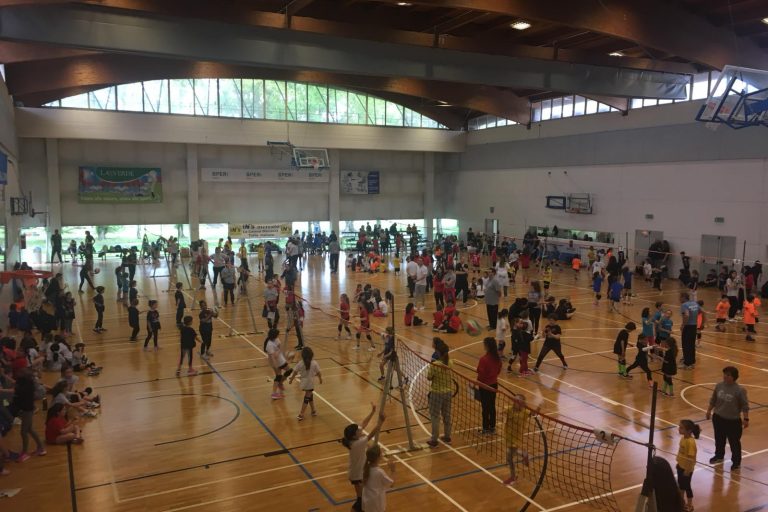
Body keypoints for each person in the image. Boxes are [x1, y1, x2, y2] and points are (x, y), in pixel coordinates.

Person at [342, 404, 386, 512]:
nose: (360, 430)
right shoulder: (358, 444)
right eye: (358, 431)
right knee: (361, 499)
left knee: (361, 498)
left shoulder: (353, 440)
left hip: (355, 473)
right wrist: (381, 422)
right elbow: (371, 434)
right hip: (357, 475)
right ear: (354, 435)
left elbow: (363, 423)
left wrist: (372, 412)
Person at [706, 366, 749, 470]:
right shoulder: (719, 386)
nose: (725, 376)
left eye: (728, 375)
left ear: (734, 377)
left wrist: (746, 419)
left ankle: (736, 462)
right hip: (718, 418)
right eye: (724, 374)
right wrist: (709, 410)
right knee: (719, 439)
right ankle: (719, 456)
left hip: (733, 421)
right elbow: (713, 399)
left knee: (734, 443)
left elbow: (745, 405)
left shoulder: (740, 390)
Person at [426, 338, 452, 447]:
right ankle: (447, 436)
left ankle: (434, 440)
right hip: (448, 393)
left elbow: (429, 377)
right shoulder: (450, 362)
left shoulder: (435, 364)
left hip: (436, 393)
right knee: (447, 415)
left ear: (438, 352)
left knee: (435, 416)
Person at [503, 395, 533, 485]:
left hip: (516, 438)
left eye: (518, 401)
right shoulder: (509, 409)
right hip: (508, 436)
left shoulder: (525, 412)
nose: (515, 402)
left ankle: (513, 477)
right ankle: (524, 455)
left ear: (522, 403)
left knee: (509, 458)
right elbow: (502, 413)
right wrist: (502, 417)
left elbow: (533, 414)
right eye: (515, 400)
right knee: (511, 455)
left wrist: (539, 405)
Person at [288, 347, 322, 420]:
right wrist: (320, 379)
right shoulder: (314, 363)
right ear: (312, 354)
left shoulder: (300, 363)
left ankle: (313, 410)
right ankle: (301, 414)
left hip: (303, 383)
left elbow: (295, 372)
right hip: (310, 383)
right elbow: (319, 372)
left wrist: (291, 380)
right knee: (307, 398)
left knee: (310, 395)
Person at [476, 337, 501, 434]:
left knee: (485, 408)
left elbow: (481, 375)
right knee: (492, 407)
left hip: (485, 386)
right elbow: (498, 371)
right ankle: (492, 427)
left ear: (487, 346)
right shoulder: (497, 358)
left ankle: (485, 428)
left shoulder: (484, 359)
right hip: (494, 385)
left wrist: (477, 382)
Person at [676, 419, 701, 512]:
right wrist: (678, 463)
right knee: (681, 486)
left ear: (689, 430)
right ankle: (681, 503)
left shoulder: (691, 442)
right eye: (679, 427)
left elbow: (690, 459)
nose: (679, 429)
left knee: (687, 487)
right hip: (680, 466)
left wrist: (687, 470)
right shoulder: (683, 438)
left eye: (681, 428)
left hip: (687, 470)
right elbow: (681, 452)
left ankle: (690, 505)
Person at [362, 445, 395, 512]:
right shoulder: (379, 472)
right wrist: (393, 470)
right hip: (377, 502)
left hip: (367, 500)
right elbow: (391, 483)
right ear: (378, 457)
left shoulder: (365, 469)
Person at [265, 328, 292, 400]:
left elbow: (280, 347)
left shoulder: (276, 339)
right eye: (277, 335)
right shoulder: (269, 345)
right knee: (278, 376)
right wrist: (276, 366)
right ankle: (274, 393)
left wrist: (284, 355)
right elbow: (273, 357)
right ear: (274, 336)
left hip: (280, 359)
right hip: (275, 362)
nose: (278, 336)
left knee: (289, 370)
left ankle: (280, 383)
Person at [679, 292, 701, 369]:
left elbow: (687, 315)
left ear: (683, 297)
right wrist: (702, 323)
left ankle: (687, 364)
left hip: (688, 326)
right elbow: (702, 312)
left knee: (686, 345)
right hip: (694, 326)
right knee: (691, 345)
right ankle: (692, 363)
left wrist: (683, 325)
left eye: (680, 297)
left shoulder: (684, 305)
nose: (679, 299)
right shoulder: (694, 303)